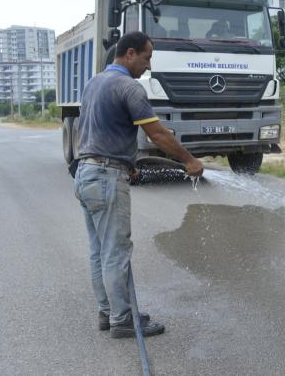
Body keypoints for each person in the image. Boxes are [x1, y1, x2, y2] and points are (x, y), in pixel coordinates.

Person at [73, 31, 204, 338]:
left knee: (98, 251)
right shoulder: (129, 87)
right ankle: (122, 320)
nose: (148, 66)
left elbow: (92, 128)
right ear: (129, 53)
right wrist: (189, 160)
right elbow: (158, 135)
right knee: (116, 252)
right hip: (106, 177)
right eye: (147, 58)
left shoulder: (94, 83)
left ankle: (107, 312)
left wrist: (126, 163)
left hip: (85, 173)